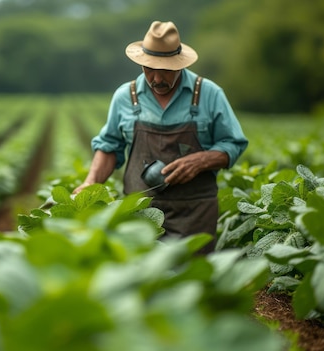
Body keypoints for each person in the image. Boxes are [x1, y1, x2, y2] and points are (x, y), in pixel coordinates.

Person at [73, 20, 248, 252]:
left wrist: (201, 160)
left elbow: (234, 143)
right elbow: (109, 146)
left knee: (190, 282)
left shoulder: (208, 94)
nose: (156, 78)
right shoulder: (126, 96)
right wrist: (91, 182)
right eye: (149, 68)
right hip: (140, 216)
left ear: (179, 64)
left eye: (165, 70)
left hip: (194, 215)